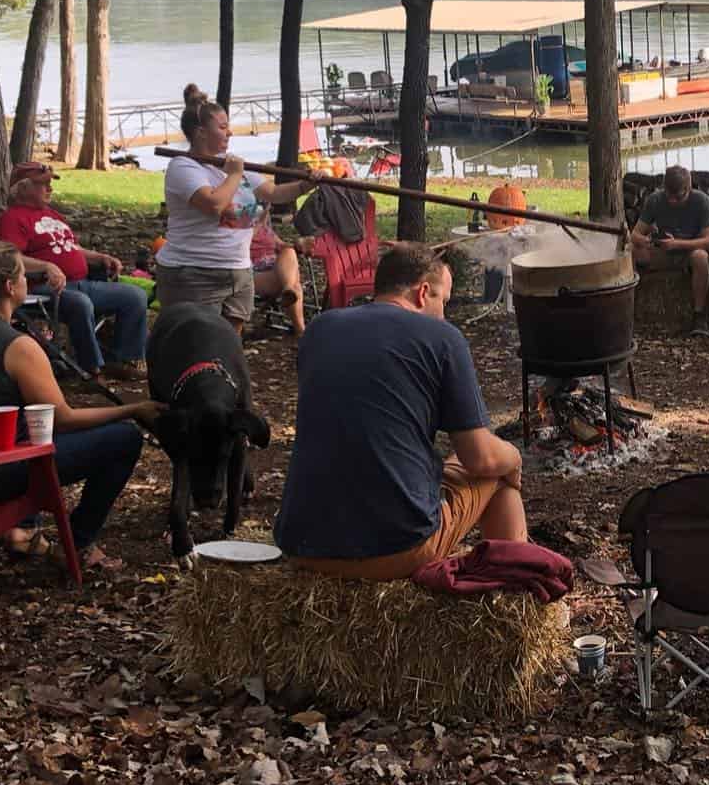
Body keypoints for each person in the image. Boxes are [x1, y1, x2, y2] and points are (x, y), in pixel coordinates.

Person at [275, 242, 527, 580]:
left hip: (301, 546)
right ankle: (519, 596)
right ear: (423, 292)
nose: (445, 314)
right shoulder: (442, 338)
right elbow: (480, 458)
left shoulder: (319, 329)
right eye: (444, 302)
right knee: (498, 473)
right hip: (394, 549)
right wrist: (514, 457)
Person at [0, 243, 161, 569]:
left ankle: (24, 531)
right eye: (23, 275)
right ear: (9, 287)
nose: (28, 281)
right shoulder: (18, 347)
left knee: (23, 422)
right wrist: (133, 409)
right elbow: (64, 419)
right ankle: (79, 544)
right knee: (124, 439)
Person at [157, 90, 312, 332]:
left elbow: (272, 192)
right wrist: (235, 174)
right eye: (222, 127)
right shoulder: (183, 167)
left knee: (229, 346)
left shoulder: (231, 163)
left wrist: (305, 184)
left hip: (238, 271)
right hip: (194, 273)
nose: (229, 132)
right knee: (199, 346)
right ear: (200, 133)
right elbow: (214, 204)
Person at [0, 161, 149, 381]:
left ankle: (123, 360)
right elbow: (8, 257)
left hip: (82, 282)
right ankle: (90, 370)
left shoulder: (53, 215)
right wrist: (46, 266)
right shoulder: (12, 219)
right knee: (80, 303)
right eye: (43, 184)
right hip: (41, 288)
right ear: (22, 188)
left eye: (50, 184)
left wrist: (100, 257)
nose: (50, 189)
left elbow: (71, 247)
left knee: (135, 296)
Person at [629, 166, 709, 336]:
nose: (672, 201)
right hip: (664, 252)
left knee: (700, 257)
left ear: (689, 188)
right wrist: (646, 240)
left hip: (690, 252)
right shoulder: (655, 200)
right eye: (669, 197)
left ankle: (699, 315)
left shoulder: (702, 201)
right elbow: (635, 234)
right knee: (632, 250)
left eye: (678, 197)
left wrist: (677, 243)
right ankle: (630, 306)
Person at [250, 210, 311, 337]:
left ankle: (288, 290)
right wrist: (258, 223)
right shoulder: (236, 231)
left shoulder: (265, 228)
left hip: (277, 270)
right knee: (294, 284)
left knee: (289, 252)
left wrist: (298, 245)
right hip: (253, 274)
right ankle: (301, 332)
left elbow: (282, 245)